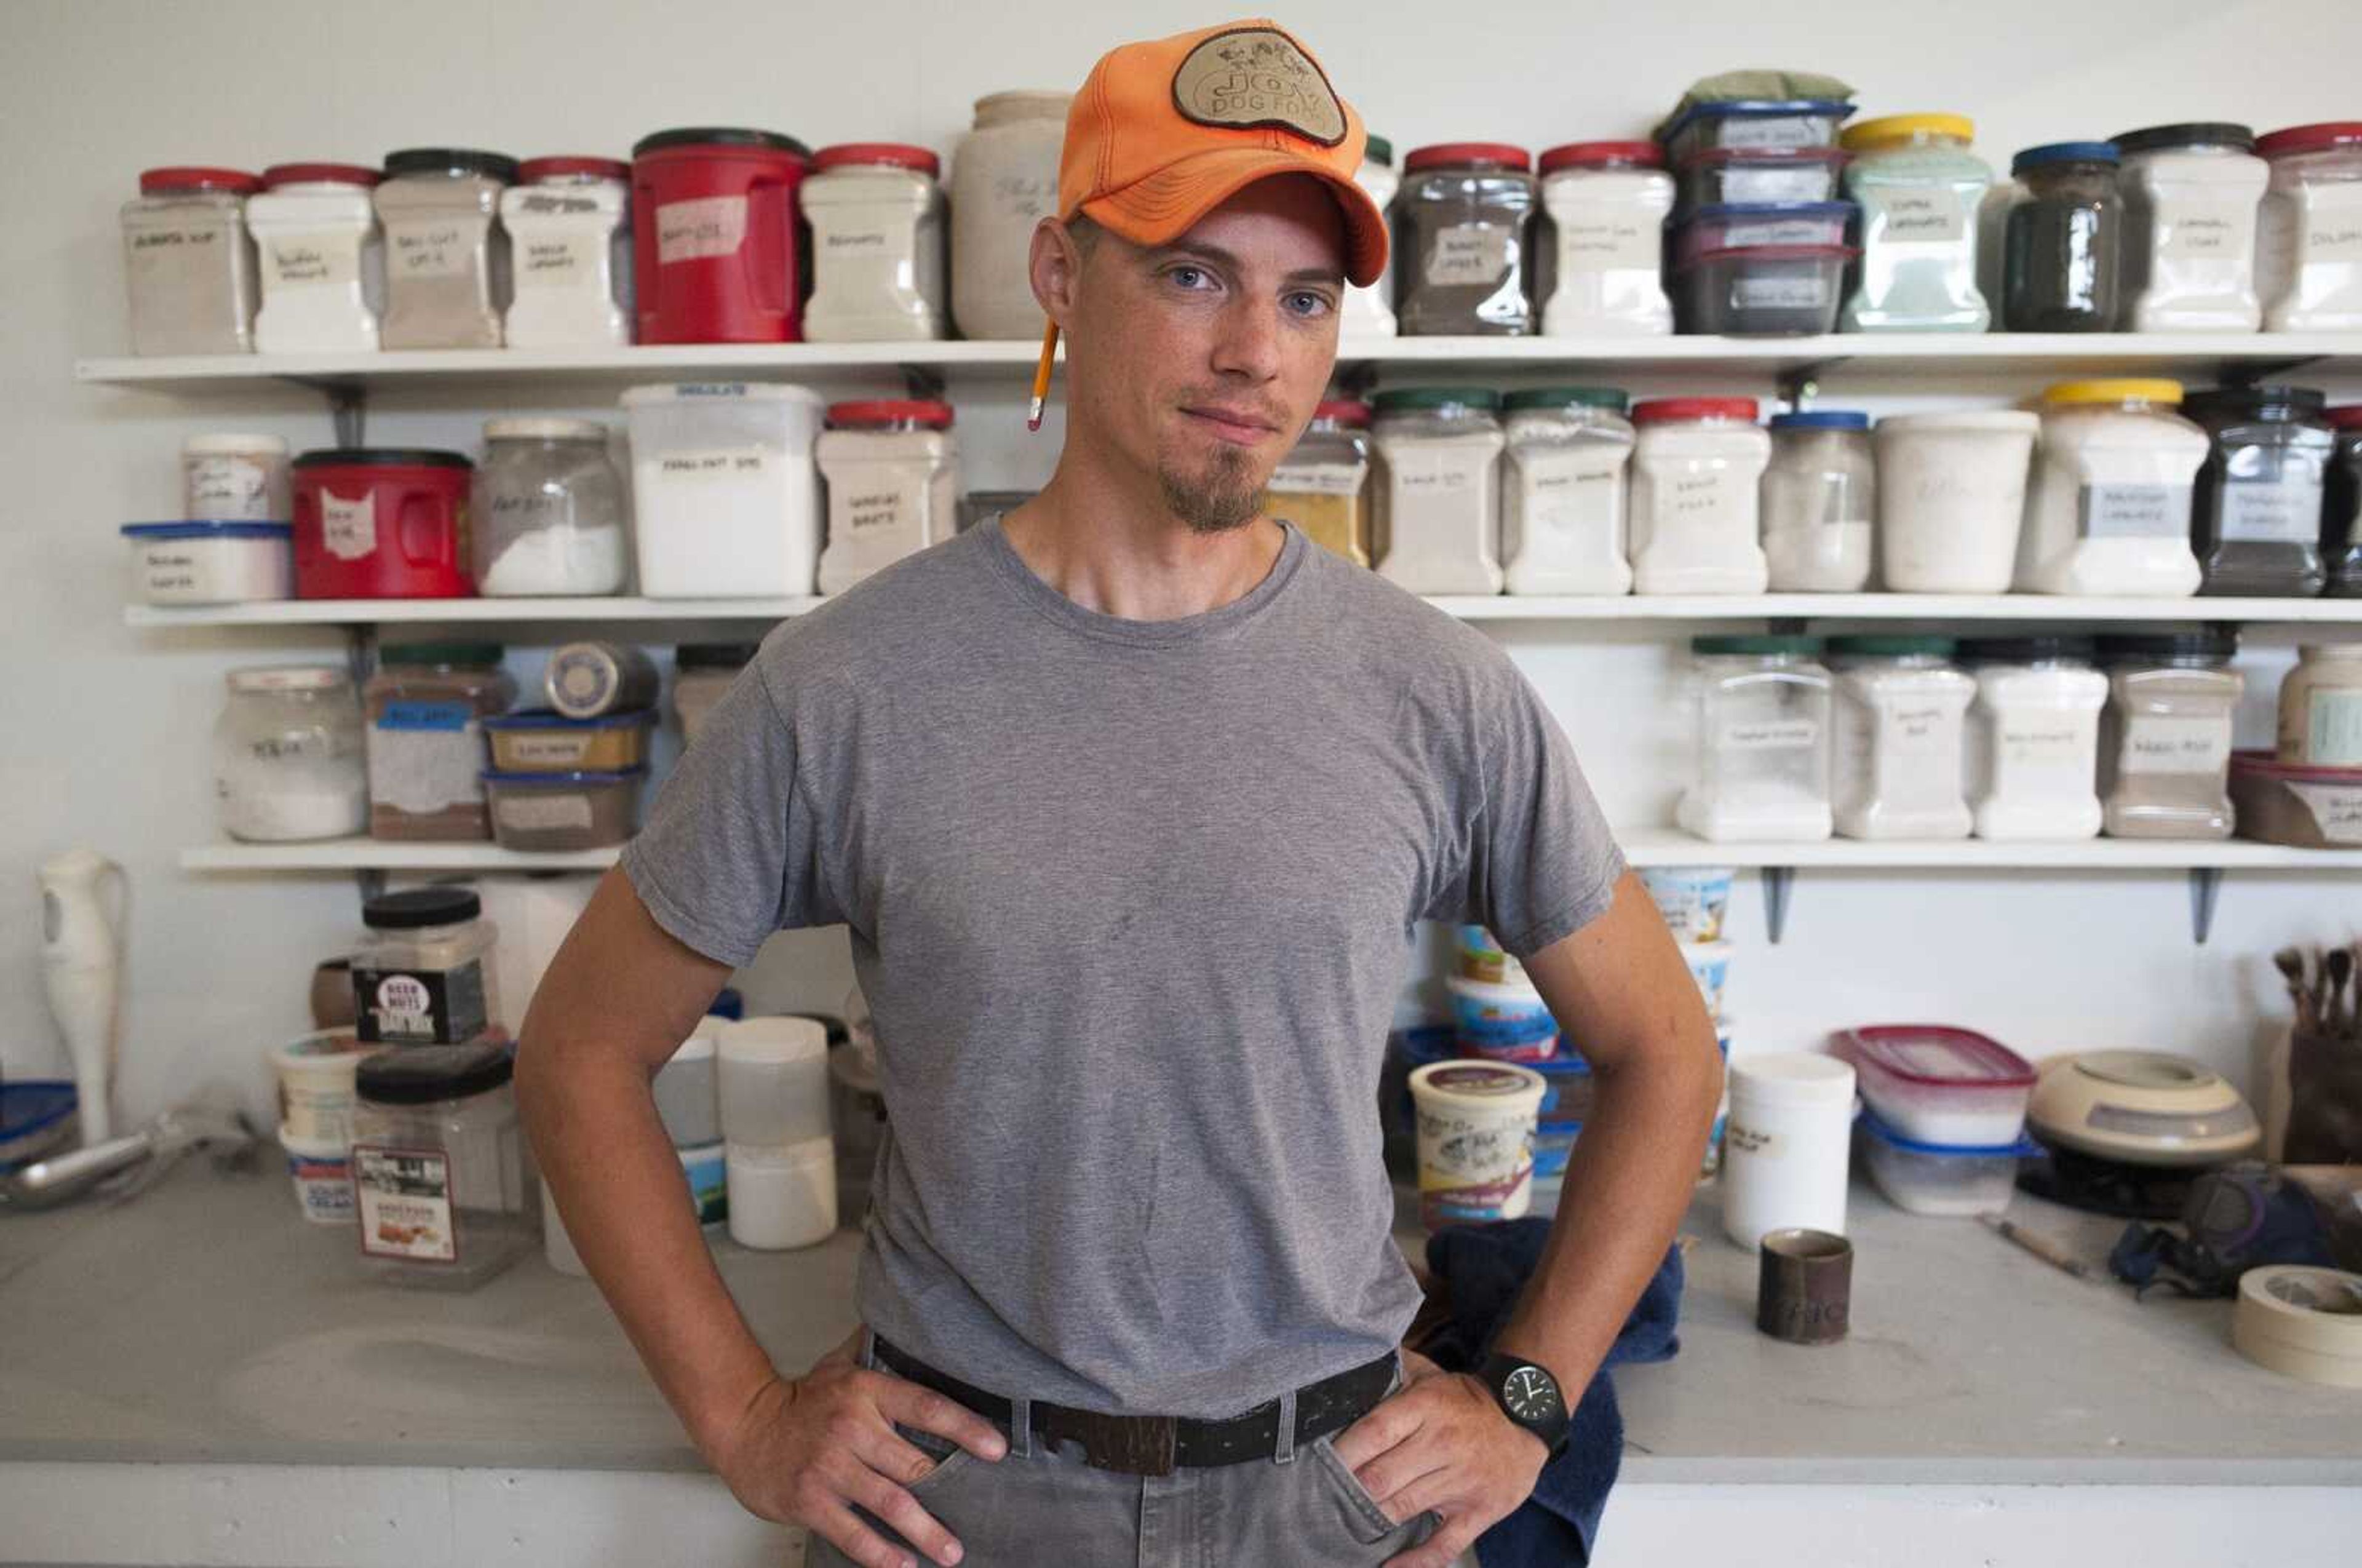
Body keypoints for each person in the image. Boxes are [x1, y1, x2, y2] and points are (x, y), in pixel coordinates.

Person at [517, 18, 1723, 1568]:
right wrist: (746, 1417)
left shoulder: (1435, 690)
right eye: (1194, 274)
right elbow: (578, 1052)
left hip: (1332, 1492)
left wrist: (1529, 1395)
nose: (1257, 354)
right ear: (1061, 276)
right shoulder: (848, 684)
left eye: (1304, 299)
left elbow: (1665, 1051)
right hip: (958, 1502)